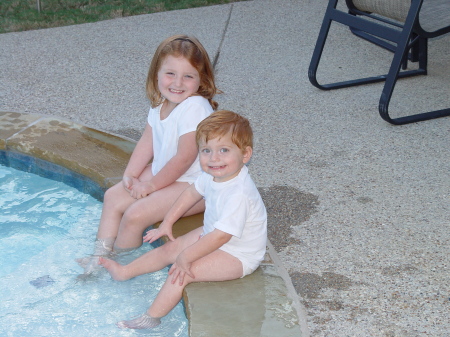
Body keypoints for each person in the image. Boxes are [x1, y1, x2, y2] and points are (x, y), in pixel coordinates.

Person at [99, 110, 268, 330]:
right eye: (206, 150)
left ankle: (151, 318)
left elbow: (221, 237)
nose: (213, 158)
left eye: (224, 150)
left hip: (238, 254)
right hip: (212, 234)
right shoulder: (212, 175)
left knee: (182, 272)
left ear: (245, 155)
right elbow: (190, 194)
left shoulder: (239, 194)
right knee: (170, 249)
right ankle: (124, 272)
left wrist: (186, 256)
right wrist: (168, 222)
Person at [77, 35, 220, 275]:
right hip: (170, 175)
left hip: (197, 185)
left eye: (188, 76)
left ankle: (121, 265)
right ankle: (100, 256)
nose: (178, 83)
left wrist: (151, 186)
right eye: (170, 74)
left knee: (135, 215)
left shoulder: (195, 107)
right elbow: (147, 141)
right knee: (113, 197)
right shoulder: (160, 103)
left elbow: (184, 158)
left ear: (201, 80)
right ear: (156, 73)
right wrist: (131, 174)